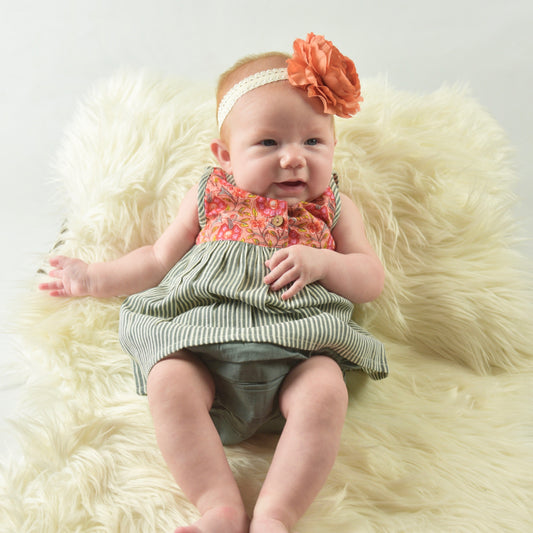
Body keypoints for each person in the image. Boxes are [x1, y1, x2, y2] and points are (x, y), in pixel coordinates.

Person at [40, 33, 388, 533]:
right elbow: (158, 258)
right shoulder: (210, 195)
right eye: (269, 142)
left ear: (333, 145)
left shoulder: (332, 206)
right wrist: (92, 277)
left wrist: (322, 263)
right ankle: (217, 507)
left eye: (313, 141)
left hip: (296, 357)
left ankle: (276, 515)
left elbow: (369, 277)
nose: (294, 158)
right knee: (168, 379)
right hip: (204, 355)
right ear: (224, 155)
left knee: (326, 389)